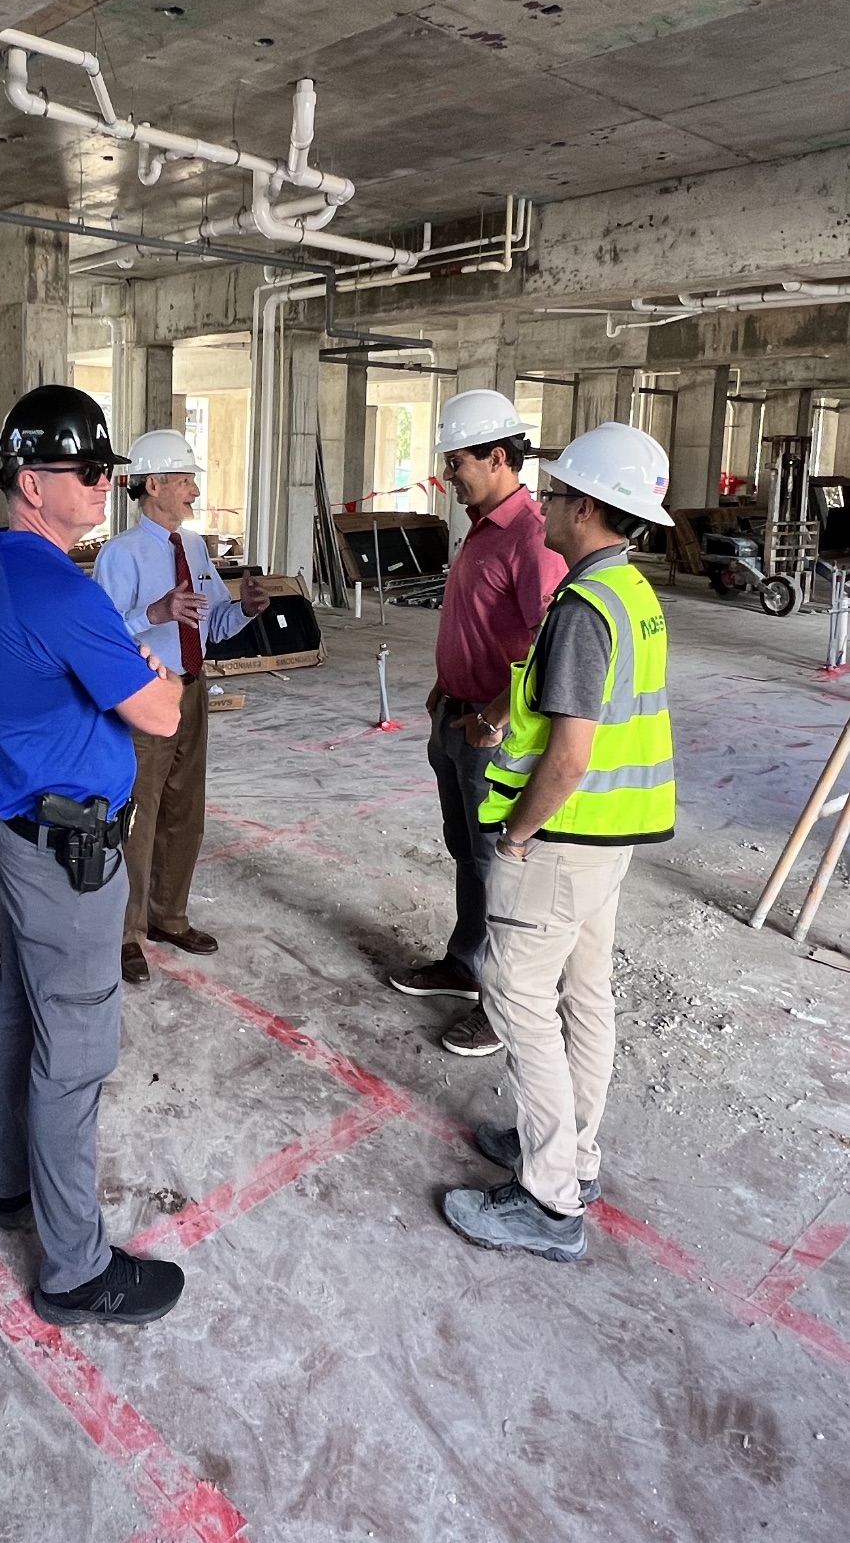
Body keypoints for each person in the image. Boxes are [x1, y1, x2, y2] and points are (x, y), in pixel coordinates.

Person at [0, 385, 187, 1329]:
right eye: (88, 469)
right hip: (69, 857)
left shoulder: (10, 568)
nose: (107, 482)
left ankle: (11, 1181)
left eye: (109, 468)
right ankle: (73, 1267)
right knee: (77, 1051)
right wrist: (154, 669)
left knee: (23, 1006)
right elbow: (163, 710)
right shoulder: (61, 588)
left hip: (22, 829)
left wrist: (127, 663)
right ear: (31, 481)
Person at [442, 423, 675, 1264]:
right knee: (586, 995)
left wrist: (514, 834)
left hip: (562, 843)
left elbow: (571, 754)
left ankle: (548, 1199)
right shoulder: (632, 595)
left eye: (557, 494)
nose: (545, 506)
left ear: (585, 505)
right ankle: (574, 1151)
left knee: (518, 1000)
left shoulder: (583, 608)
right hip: (609, 845)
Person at [389, 391, 564, 1057]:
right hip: (455, 715)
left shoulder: (532, 536)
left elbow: (547, 649)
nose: (450, 470)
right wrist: (446, 686)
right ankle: (465, 963)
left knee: (501, 867)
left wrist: (492, 717)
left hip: (493, 732)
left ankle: (502, 1004)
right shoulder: (482, 524)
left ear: (497, 456)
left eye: (457, 458)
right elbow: (480, 623)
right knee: (468, 852)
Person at [93, 428, 270, 985]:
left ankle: (170, 915)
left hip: (191, 689)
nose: (195, 490)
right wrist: (155, 612)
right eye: (186, 479)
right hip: (143, 694)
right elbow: (99, 639)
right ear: (154, 485)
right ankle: (125, 933)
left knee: (184, 809)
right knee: (138, 816)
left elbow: (210, 622)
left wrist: (244, 610)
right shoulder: (120, 555)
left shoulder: (193, 548)